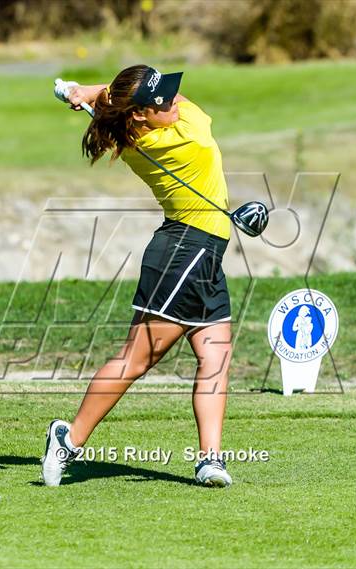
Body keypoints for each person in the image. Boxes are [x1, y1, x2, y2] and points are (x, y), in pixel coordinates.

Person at [42, 65, 233, 488]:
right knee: (138, 358)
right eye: (159, 101)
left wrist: (91, 92)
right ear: (141, 115)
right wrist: (92, 91)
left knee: (215, 355)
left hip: (199, 251)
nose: (171, 101)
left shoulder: (139, 133)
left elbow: (159, 98)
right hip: (187, 249)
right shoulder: (180, 137)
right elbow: (186, 106)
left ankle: (210, 460)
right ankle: (67, 439)